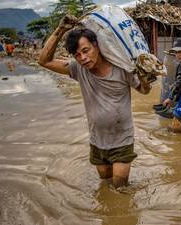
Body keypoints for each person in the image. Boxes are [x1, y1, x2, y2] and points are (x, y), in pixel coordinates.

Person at [38, 15, 152, 188]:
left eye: (85, 50)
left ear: (96, 46)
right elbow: (44, 61)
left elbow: (144, 91)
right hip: (97, 141)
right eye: (77, 55)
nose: (82, 58)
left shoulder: (122, 68)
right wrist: (60, 30)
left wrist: (144, 79)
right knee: (104, 183)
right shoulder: (78, 70)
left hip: (122, 139)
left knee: (120, 187)